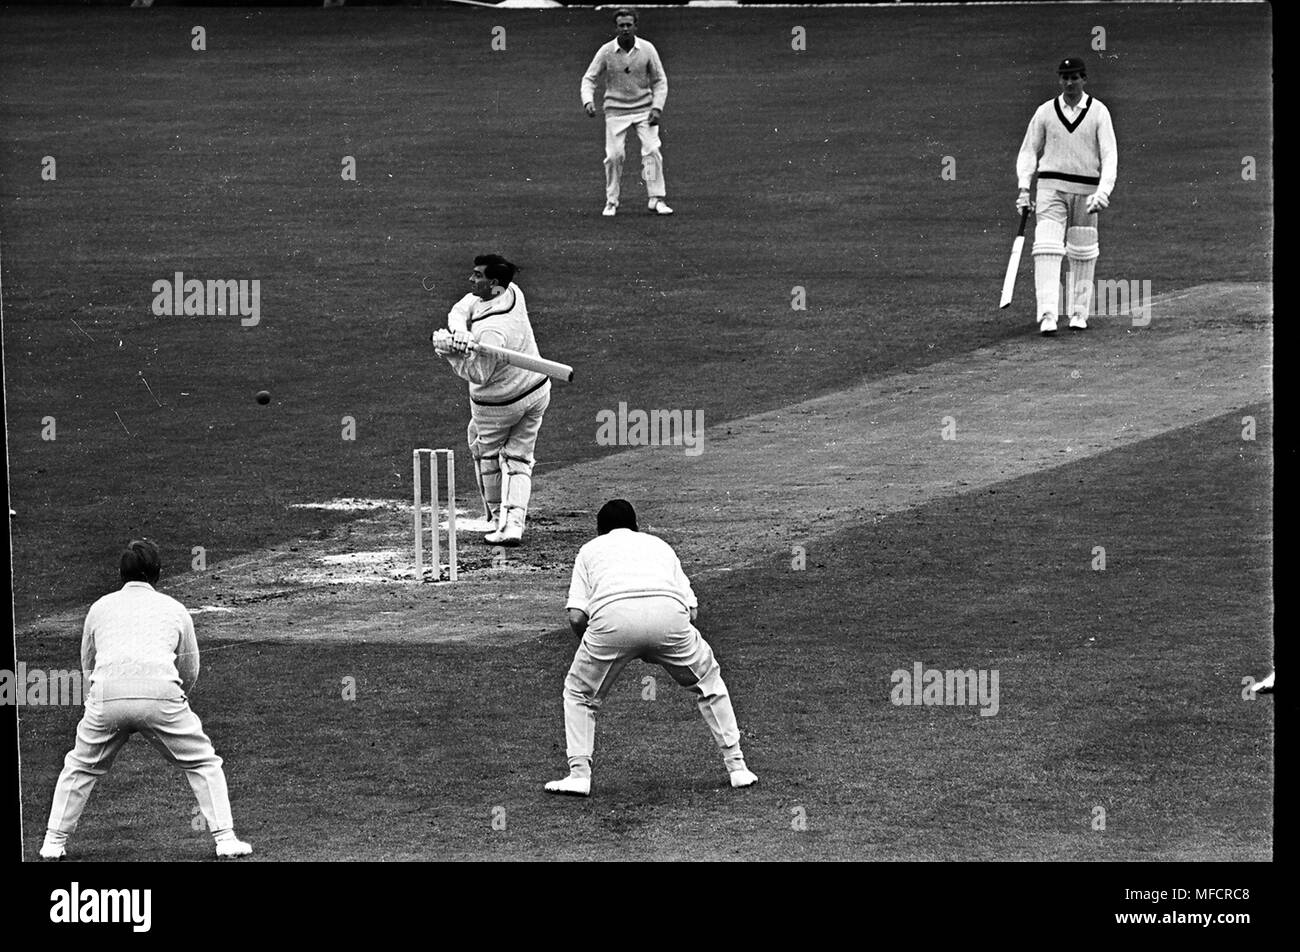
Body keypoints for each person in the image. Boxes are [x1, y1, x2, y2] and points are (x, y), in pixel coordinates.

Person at [39, 540, 253, 860]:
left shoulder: (99, 607)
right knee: (203, 762)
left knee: (79, 767)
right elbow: (190, 668)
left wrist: (101, 701)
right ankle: (225, 839)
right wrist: (172, 702)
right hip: (162, 694)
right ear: (157, 574)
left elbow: (88, 662)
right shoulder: (174, 608)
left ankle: (53, 843)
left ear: (121, 574)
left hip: (106, 695)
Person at [545, 500, 758, 796]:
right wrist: (662, 645)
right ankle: (738, 768)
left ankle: (579, 775)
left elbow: (576, 616)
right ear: (636, 527)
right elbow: (693, 613)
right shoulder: (660, 545)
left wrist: (595, 648)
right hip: (669, 616)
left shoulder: (590, 550)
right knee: (709, 682)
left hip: (612, 621)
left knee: (579, 692)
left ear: (599, 530)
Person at [432, 254, 550, 546]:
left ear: (492, 282)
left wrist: (449, 353)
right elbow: (461, 308)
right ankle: (513, 525)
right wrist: (460, 334)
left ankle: (499, 519)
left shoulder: (492, 331)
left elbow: (479, 374)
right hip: (536, 390)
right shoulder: (511, 292)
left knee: (489, 456)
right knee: (519, 457)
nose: (471, 280)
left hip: (500, 404)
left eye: (477, 276)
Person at [1016, 57, 1118, 335]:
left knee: (1083, 251)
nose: (1069, 83)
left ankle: (1078, 313)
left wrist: (1103, 192)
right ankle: (1047, 315)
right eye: (1065, 77)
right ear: (1059, 80)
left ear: (1084, 79)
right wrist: (1024, 188)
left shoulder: (1099, 112)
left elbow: (1110, 156)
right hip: (1050, 187)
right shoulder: (1045, 112)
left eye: (1074, 77)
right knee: (1047, 248)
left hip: (1086, 192)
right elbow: (1028, 150)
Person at [581, 7, 673, 217]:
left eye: (628, 25)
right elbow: (589, 78)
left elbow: (660, 81)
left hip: (644, 110)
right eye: (621, 25)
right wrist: (588, 101)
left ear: (635, 26)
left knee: (651, 152)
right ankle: (611, 201)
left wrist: (657, 107)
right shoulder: (606, 51)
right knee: (614, 156)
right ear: (616, 28)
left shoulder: (647, 49)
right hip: (616, 111)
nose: (625, 29)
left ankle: (656, 197)